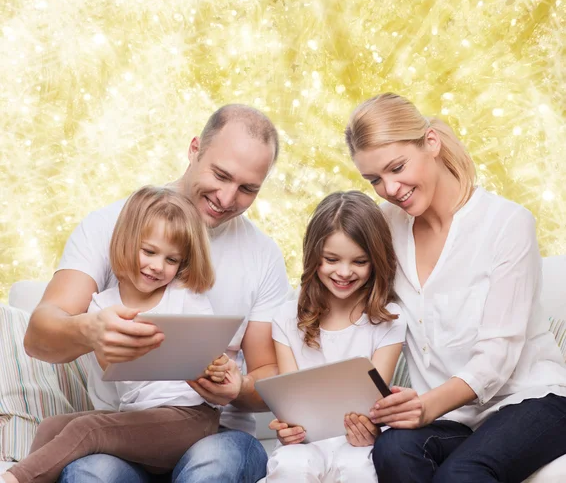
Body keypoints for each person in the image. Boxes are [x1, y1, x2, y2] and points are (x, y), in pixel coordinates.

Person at [24, 105, 290, 483]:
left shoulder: (262, 256)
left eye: (248, 189)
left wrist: (236, 387)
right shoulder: (111, 226)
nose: (227, 198)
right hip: (124, 433)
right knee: (90, 472)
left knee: (215, 465)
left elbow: (268, 377)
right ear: (194, 149)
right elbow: (38, 337)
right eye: (221, 175)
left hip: (215, 433)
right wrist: (89, 331)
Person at [344, 92, 566, 483]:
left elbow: (497, 357)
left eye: (397, 167)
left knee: (462, 473)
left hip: (530, 400)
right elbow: (358, 316)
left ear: (431, 142)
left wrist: (426, 407)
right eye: (375, 179)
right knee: (392, 449)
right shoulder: (385, 227)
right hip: (452, 417)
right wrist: (336, 412)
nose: (391, 188)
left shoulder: (507, 223)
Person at [3, 185, 235, 483]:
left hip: (190, 418)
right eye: (149, 251)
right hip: (138, 419)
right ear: (126, 242)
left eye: (171, 260)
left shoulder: (186, 297)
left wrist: (218, 369)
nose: (157, 266)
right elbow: (112, 372)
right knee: (51, 426)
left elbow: (210, 357)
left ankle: (14, 479)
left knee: (86, 430)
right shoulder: (102, 304)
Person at [265, 191, 407, 482]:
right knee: (292, 465)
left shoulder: (389, 318)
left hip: (358, 443)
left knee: (358, 469)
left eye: (359, 261)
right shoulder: (286, 317)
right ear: (314, 256)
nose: (344, 272)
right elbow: (291, 404)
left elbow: (373, 404)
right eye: (331, 259)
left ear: (376, 260)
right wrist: (289, 429)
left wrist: (368, 429)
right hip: (306, 443)